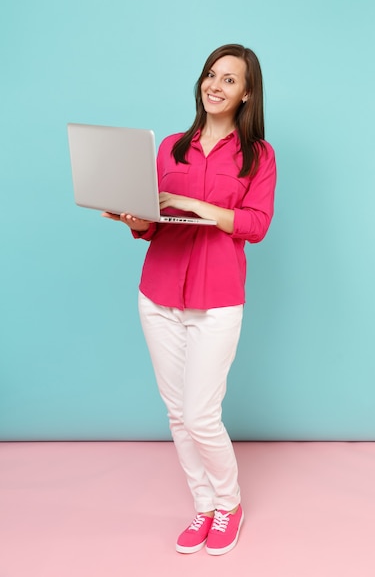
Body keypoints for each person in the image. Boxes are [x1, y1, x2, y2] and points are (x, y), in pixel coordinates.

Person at [103, 44, 277, 555]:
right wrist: (133, 218)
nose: (215, 86)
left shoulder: (259, 155)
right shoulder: (171, 148)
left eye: (229, 79)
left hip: (217, 297)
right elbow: (155, 226)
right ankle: (203, 506)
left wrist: (190, 201)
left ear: (247, 93)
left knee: (202, 413)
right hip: (157, 293)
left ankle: (230, 503)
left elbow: (255, 224)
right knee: (177, 413)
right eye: (210, 75)